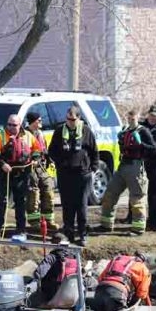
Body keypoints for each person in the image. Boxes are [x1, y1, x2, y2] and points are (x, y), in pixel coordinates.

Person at [97, 110, 156, 236]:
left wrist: (141, 144)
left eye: (133, 119)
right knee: (110, 193)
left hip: (136, 166)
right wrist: (121, 141)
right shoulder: (125, 131)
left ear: (138, 118)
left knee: (136, 198)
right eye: (128, 119)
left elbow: (153, 150)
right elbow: (123, 148)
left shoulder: (143, 131)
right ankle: (106, 224)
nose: (130, 121)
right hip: (123, 165)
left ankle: (138, 228)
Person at [48, 106, 99, 247]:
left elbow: (95, 151)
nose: (70, 122)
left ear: (79, 118)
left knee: (81, 205)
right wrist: (60, 163)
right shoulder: (59, 131)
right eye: (68, 119)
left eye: (73, 119)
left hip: (83, 174)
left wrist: (93, 168)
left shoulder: (86, 131)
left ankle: (82, 234)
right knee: (67, 205)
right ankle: (69, 232)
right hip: (65, 174)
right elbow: (52, 150)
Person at [0, 114, 41, 238]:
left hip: (22, 173)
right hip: (5, 172)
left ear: (20, 125)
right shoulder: (0, 136)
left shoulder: (28, 136)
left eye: (14, 125)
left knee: (21, 201)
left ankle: (21, 229)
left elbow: (37, 149)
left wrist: (35, 159)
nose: (11, 127)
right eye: (9, 124)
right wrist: (2, 164)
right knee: (2, 200)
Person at [24, 112, 59, 231]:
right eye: (39, 120)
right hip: (30, 167)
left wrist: (51, 161)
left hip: (42, 166)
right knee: (33, 192)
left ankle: (48, 220)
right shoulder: (25, 134)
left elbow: (45, 150)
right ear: (33, 121)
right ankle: (34, 221)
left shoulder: (40, 134)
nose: (41, 122)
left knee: (48, 187)